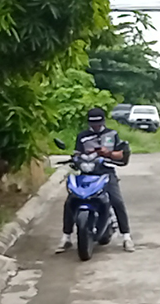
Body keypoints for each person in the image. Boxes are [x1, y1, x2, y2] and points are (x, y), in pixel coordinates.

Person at [57, 108, 136, 253]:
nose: (96, 126)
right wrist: (77, 158)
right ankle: (66, 237)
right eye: (93, 124)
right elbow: (76, 153)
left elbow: (120, 154)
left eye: (98, 123)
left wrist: (109, 153)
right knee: (70, 201)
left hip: (105, 172)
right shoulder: (83, 136)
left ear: (103, 121)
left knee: (117, 201)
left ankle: (126, 237)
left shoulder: (112, 134)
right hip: (86, 173)